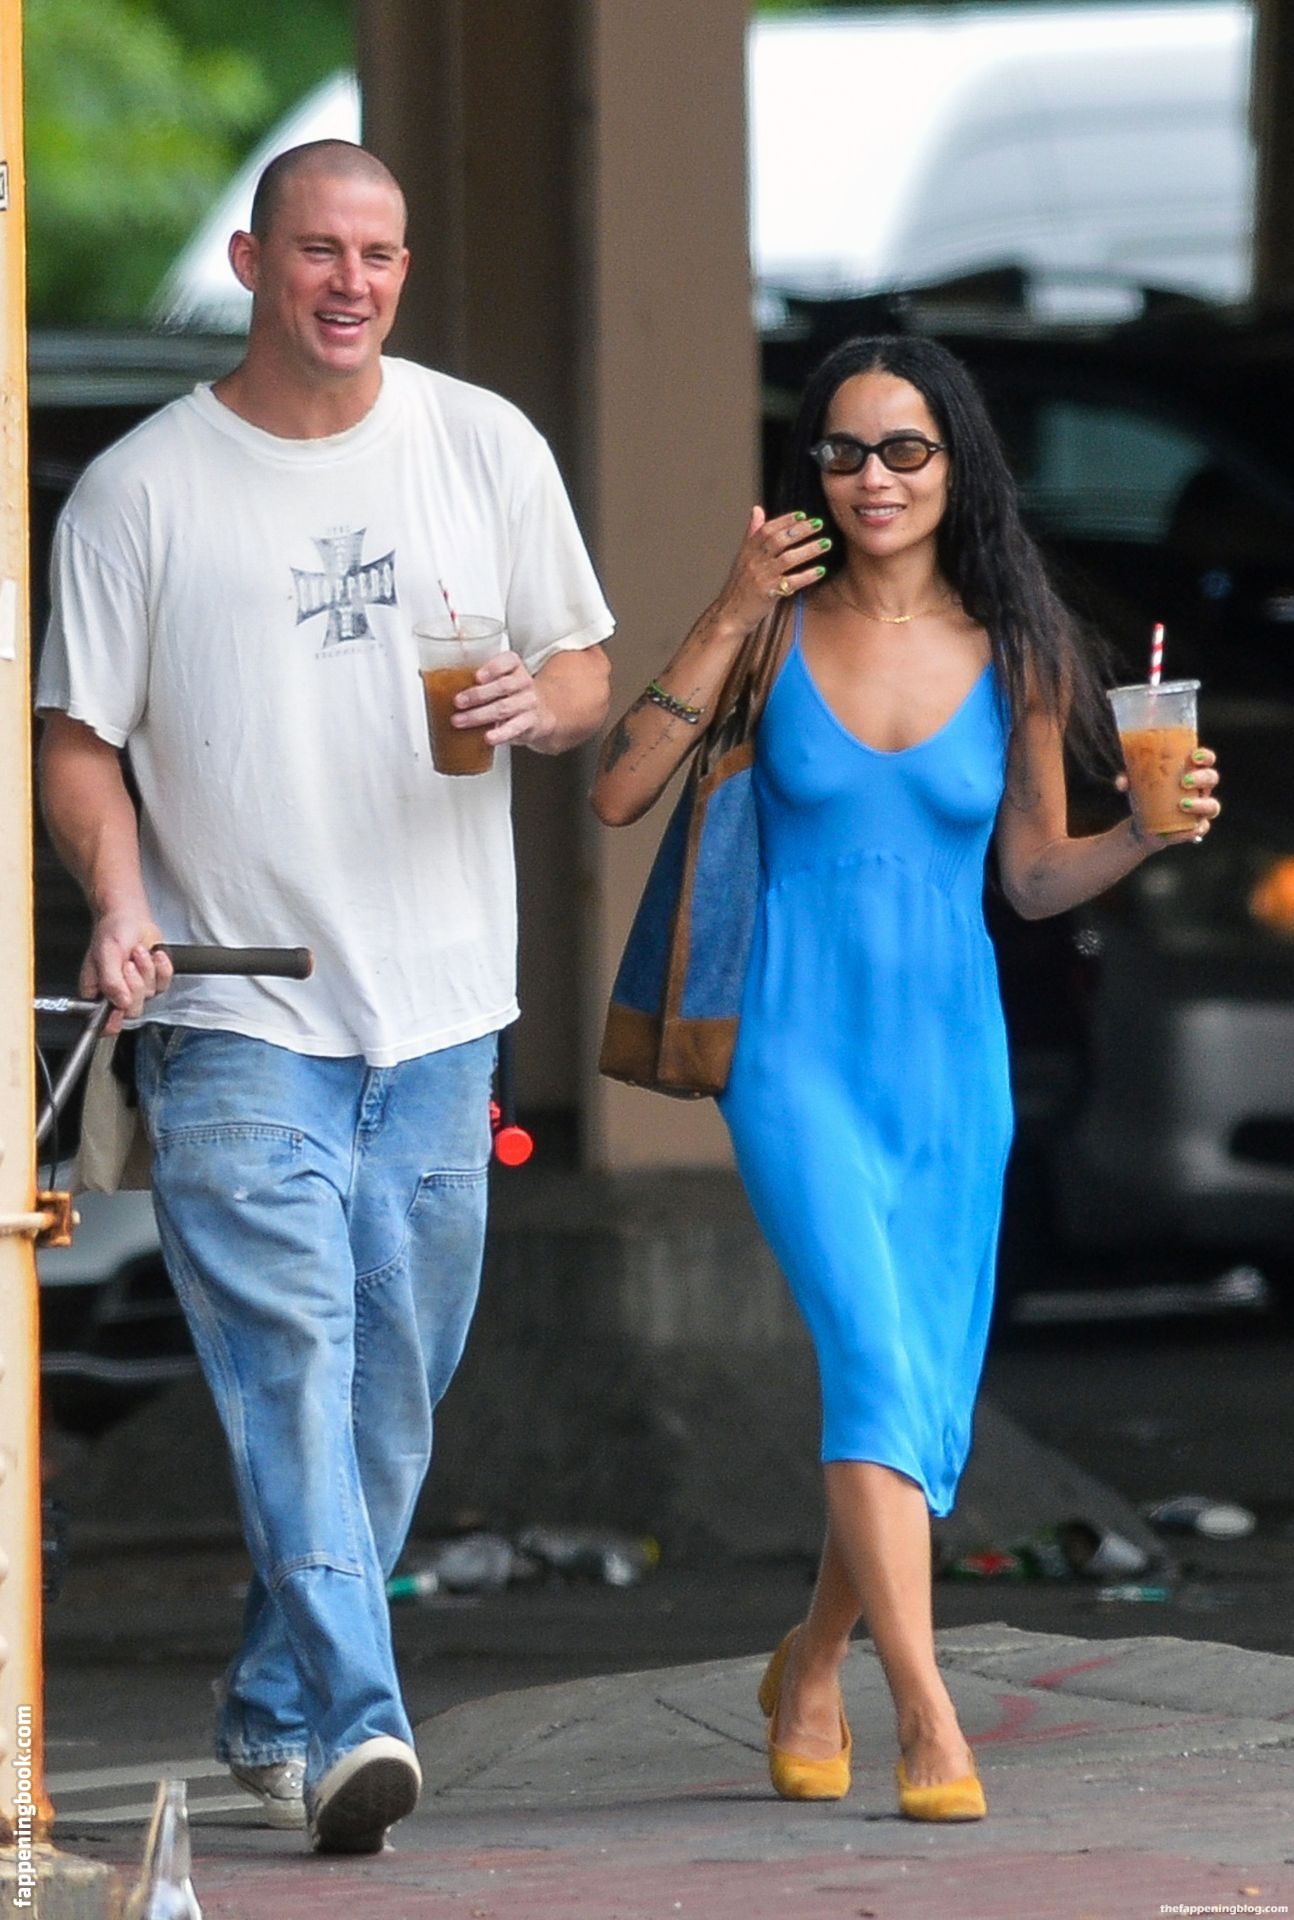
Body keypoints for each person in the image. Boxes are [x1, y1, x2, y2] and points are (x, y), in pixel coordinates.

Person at [37, 139, 613, 1853]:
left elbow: (586, 664)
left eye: (378, 254)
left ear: (402, 270)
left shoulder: (480, 443)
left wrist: (545, 704)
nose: (349, 282)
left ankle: (274, 1704)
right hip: (233, 1008)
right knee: (291, 1362)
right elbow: (77, 737)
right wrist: (120, 903)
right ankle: (361, 1720)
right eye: (317, 251)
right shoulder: (143, 489)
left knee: (389, 1396)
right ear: (250, 260)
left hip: (440, 1008)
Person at [591, 335, 1220, 1819]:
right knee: (874, 1367)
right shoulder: (767, 632)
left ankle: (812, 1662)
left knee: (920, 1401)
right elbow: (616, 788)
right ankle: (929, 1717)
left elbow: (1032, 875)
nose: (871, 477)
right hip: (789, 1051)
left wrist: (1142, 834)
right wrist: (728, 606)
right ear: (809, 471)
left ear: (955, 467)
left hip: (950, 1062)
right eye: (842, 450)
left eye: (904, 449)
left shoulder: (1018, 651)